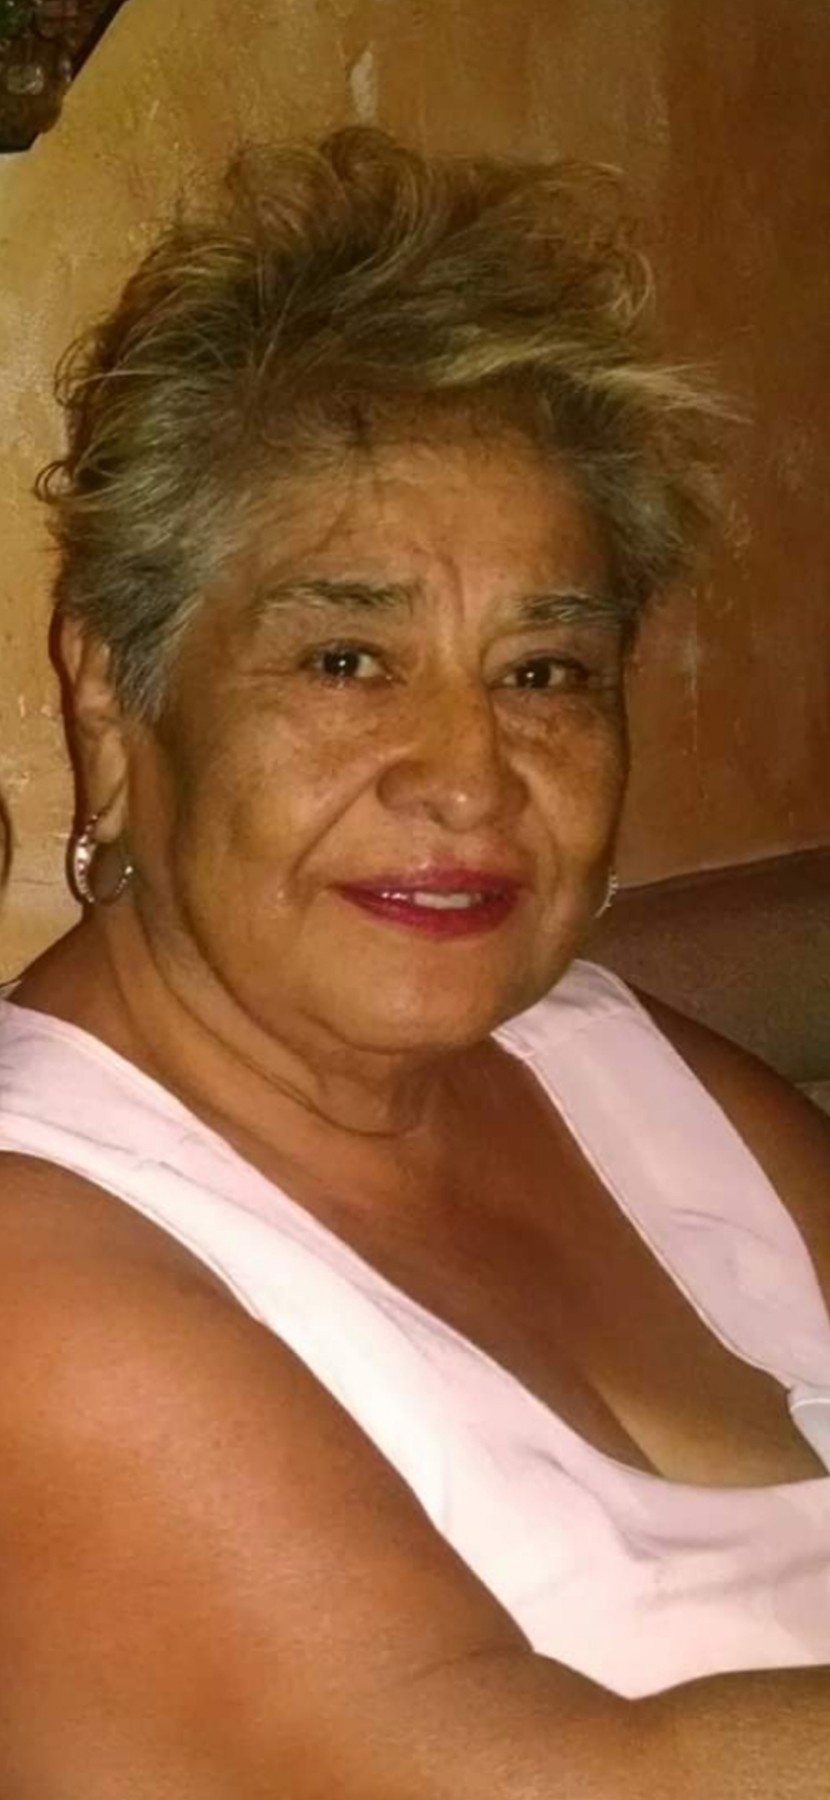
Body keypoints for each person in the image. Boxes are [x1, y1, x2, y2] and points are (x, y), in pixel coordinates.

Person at [0, 126, 829, 1799]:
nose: (469, 775)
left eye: (542, 672)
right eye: (346, 657)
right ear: (111, 700)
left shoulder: (617, 1062)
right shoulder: (36, 1266)